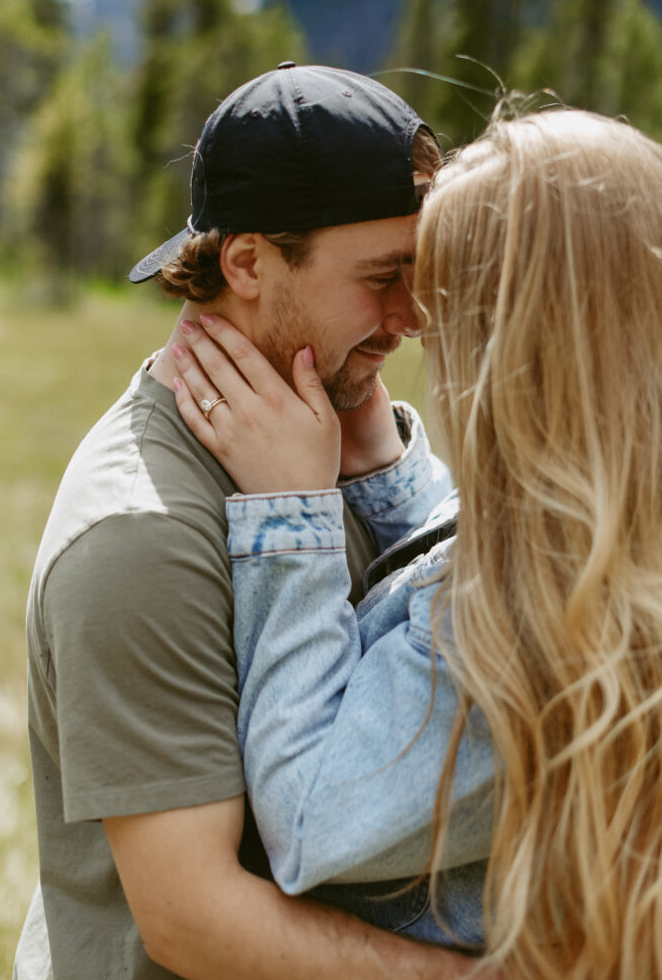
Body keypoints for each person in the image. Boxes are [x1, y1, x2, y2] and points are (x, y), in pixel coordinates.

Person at [14, 62, 495, 980]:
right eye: (385, 277)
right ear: (245, 262)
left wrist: (378, 471)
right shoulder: (141, 537)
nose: (415, 316)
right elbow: (196, 923)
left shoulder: (330, 440)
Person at [172, 106, 662, 978]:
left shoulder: (516, 618)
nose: (415, 323)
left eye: (441, 293)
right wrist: (382, 474)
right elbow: (471, 563)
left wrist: (291, 511)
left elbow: (311, 819)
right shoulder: (610, 551)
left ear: (516, 348)